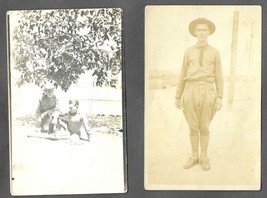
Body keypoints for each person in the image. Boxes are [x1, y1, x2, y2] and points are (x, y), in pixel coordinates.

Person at [175, 18, 223, 171]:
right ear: (195, 33)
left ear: (208, 32)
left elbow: (219, 76)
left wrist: (220, 96)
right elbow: (182, 73)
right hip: (190, 90)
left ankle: (204, 156)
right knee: (193, 126)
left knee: (205, 126)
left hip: (208, 91)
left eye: (204, 30)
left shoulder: (215, 52)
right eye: (199, 30)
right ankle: (194, 155)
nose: (202, 33)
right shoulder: (188, 52)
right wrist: (178, 96)